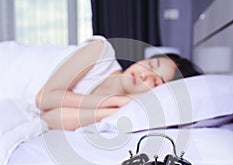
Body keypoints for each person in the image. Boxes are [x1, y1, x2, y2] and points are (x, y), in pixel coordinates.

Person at [36, 37, 201, 130]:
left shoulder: (121, 111)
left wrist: (116, 110)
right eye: (151, 65)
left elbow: (48, 120)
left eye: (156, 81)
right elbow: (43, 99)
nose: (144, 74)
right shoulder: (100, 51)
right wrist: (114, 101)